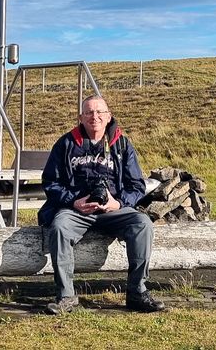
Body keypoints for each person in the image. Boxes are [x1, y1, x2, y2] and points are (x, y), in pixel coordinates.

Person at [38, 94, 166, 314]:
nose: (94, 117)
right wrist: (74, 201)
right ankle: (66, 296)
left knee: (142, 223)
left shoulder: (122, 144)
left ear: (108, 116)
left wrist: (118, 203)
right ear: (81, 117)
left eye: (99, 112)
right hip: (76, 210)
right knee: (59, 228)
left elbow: (136, 185)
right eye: (88, 112)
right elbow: (50, 182)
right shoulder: (66, 143)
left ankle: (137, 292)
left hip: (113, 211)